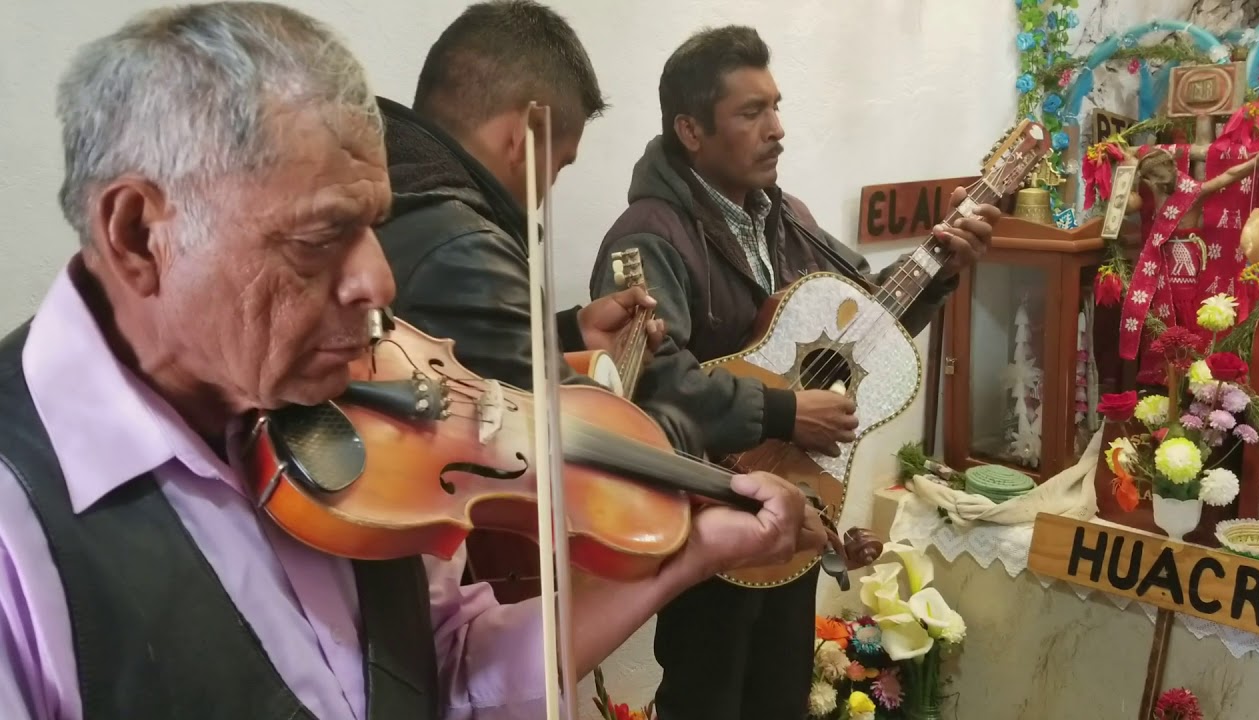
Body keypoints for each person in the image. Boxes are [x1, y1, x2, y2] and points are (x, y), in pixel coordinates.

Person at [0, 6, 829, 720]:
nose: (380, 281)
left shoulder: (342, 401)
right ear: (139, 234)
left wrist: (694, 552)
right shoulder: (16, 530)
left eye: (375, 225)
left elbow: (447, 666)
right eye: (322, 236)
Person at [592, 26, 999, 720]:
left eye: (776, 107)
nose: (777, 129)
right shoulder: (647, 237)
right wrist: (783, 414)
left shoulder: (791, 221)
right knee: (706, 703)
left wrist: (937, 277)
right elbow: (650, 384)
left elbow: (869, 324)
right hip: (703, 529)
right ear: (691, 129)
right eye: (751, 113)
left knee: (780, 700)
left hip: (791, 517)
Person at [372, 0, 715, 599]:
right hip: (414, 593)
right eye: (558, 163)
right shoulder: (463, 248)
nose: (547, 189)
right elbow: (583, 446)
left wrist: (568, 333)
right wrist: (679, 432)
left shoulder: (396, 187)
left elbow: (455, 357)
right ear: (524, 135)